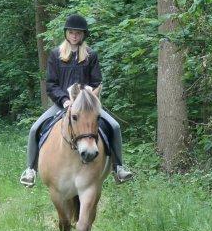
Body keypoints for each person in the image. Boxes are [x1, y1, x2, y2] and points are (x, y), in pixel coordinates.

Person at [20, 14, 134, 187]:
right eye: (71, 32)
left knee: (115, 126)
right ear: (66, 33)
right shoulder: (55, 55)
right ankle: (31, 169)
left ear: (83, 35)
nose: (74, 35)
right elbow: (51, 84)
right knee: (35, 128)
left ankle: (118, 167)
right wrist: (65, 100)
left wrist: (89, 90)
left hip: (86, 106)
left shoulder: (90, 55)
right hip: (62, 105)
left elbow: (96, 81)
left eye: (78, 33)